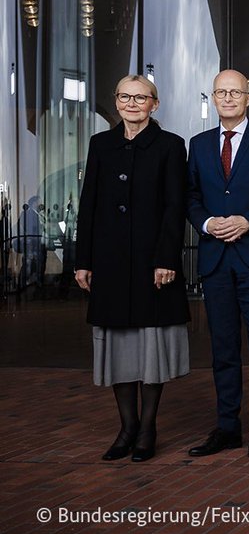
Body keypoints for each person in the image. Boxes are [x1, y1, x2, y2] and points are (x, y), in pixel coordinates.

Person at [74, 75, 189, 462]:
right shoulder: (100, 144)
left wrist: (166, 259)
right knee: (119, 348)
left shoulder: (171, 146)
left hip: (152, 263)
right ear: (116, 102)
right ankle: (125, 428)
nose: (132, 103)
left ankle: (148, 429)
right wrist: (83, 261)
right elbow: (88, 203)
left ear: (155, 104)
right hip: (108, 262)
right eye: (125, 96)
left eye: (141, 98)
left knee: (150, 347)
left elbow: (176, 208)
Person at [185, 69, 249, 459]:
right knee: (223, 350)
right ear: (213, 98)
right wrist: (208, 223)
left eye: (235, 92)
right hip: (216, 261)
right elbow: (191, 197)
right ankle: (227, 427)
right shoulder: (197, 144)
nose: (228, 97)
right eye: (221, 92)